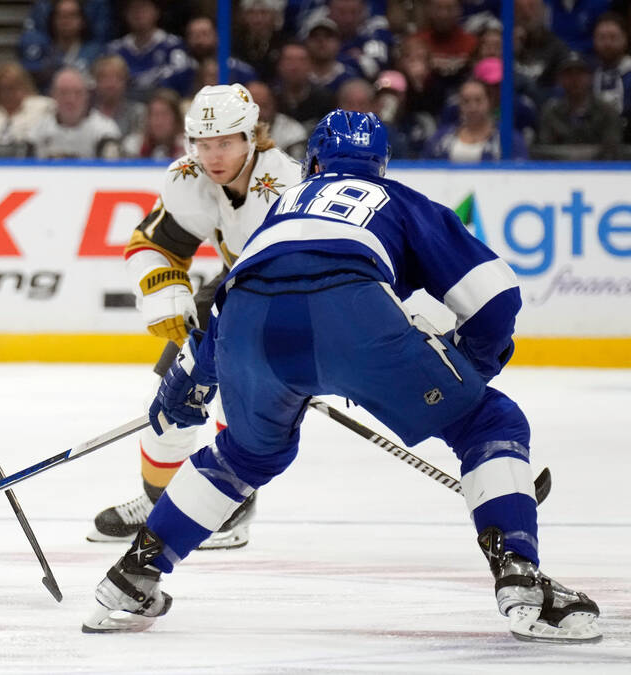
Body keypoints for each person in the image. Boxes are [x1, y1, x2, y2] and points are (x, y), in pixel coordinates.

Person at [82, 109, 601, 644]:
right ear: (382, 163)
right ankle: (519, 577)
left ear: (312, 162)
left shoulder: (282, 208)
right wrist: (472, 366)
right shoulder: (400, 201)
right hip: (354, 316)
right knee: (489, 421)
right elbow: (496, 296)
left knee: (242, 454)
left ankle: (132, 577)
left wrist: (190, 380)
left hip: (248, 325)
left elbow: (229, 298)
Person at [87, 83, 303, 551]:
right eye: (203, 144)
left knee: (241, 403)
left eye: (224, 142)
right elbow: (155, 245)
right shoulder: (191, 178)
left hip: (293, 297)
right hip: (235, 285)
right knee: (174, 393)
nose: (213, 156)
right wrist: (166, 295)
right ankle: (159, 500)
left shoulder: (285, 184)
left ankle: (230, 503)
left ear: (251, 137)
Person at [423, 78, 527, 161]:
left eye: (478, 100)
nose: (472, 107)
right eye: (466, 101)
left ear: (490, 102)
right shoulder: (440, 140)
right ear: (459, 104)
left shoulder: (509, 139)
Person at [28, 66, 121, 158]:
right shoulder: (38, 129)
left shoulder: (105, 130)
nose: (70, 99)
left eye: (77, 93)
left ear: (87, 96)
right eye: (63, 93)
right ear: (53, 95)